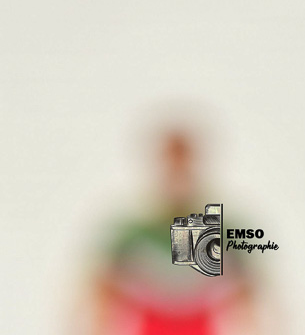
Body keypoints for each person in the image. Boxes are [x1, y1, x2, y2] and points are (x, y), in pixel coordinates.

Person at [87, 125, 270, 335]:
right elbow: (99, 298)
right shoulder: (135, 233)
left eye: (183, 160)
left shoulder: (223, 229)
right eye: (171, 160)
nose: (177, 170)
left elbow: (252, 299)